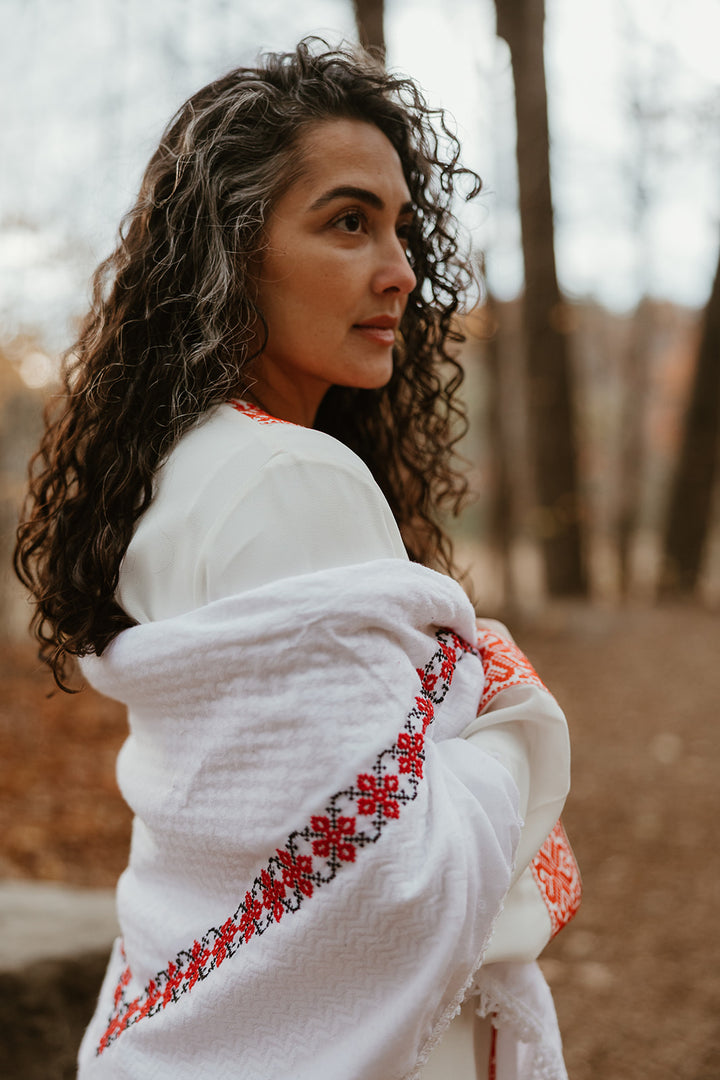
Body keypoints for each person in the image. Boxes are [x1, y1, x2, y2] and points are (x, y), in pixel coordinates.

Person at [14, 40, 580, 1080]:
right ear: (234, 251)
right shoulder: (288, 477)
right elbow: (381, 874)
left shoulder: (185, 466)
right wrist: (509, 716)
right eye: (348, 221)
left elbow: (278, 819)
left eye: (402, 227)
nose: (399, 271)